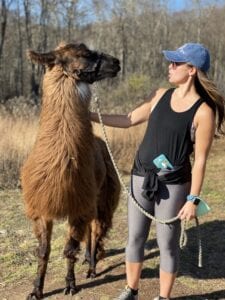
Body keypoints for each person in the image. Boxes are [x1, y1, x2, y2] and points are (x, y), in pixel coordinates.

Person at [90, 43, 225, 300]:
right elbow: (129, 119)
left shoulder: (204, 112)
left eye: (176, 63)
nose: (170, 67)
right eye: (171, 62)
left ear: (192, 70)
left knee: (168, 246)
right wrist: (91, 116)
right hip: (140, 177)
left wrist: (192, 199)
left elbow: (200, 161)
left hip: (173, 186)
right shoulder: (159, 95)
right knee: (135, 238)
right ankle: (131, 290)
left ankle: (163, 298)